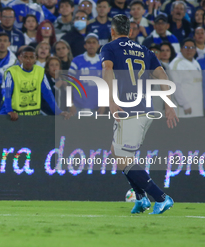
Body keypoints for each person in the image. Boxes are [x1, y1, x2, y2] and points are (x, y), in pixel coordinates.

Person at [100, 14, 178, 214]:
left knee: (124, 157)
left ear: (112, 31)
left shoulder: (110, 48)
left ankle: (160, 197)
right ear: (131, 32)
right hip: (146, 109)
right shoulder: (145, 50)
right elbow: (162, 75)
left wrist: (110, 101)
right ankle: (141, 198)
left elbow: (107, 70)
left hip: (128, 110)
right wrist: (169, 105)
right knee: (116, 151)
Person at [0, 46, 70, 120]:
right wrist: (9, 111)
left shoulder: (40, 71)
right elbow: (7, 93)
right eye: (25, 57)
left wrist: (58, 112)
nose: (28, 60)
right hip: (14, 114)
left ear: (35, 58)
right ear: (20, 58)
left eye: (31, 57)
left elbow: (48, 94)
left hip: (32, 114)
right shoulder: (12, 72)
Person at [169, 38, 203, 118]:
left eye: (192, 48)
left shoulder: (196, 63)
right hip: (184, 109)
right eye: (186, 47)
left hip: (197, 107)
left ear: (195, 49)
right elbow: (175, 86)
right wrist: (184, 104)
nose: (189, 50)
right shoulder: (176, 64)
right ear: (181, 49)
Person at [69, 33, 103, 113]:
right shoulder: (76, 61)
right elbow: (69, 84)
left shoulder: (104, 61)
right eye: (89, 42)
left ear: (98, 45)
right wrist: (70, 103)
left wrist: (104, 104)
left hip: (97, 107)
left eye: (94, 42)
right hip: (78, 106)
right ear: (85, 45)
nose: (91, 45)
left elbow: (108, 84)